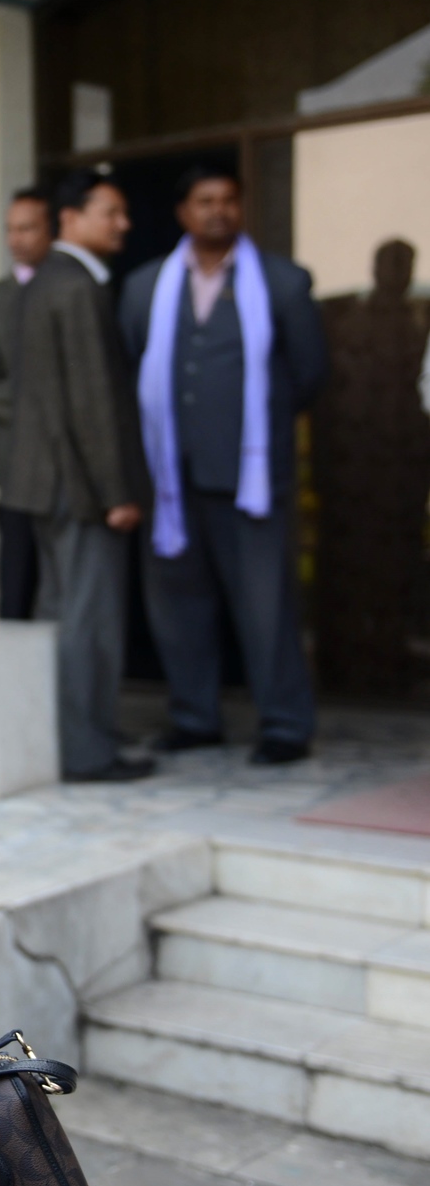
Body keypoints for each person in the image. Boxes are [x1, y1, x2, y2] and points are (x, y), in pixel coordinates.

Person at [120, 163, 328, 764]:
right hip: (169, 480)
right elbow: (135, 365)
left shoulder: (284, 283)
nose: (219, 211)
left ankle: (285, 724)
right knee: (178, 606)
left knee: (266, 607)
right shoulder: (145, 287)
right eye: (205, 201)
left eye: (229, 201)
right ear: (183, 212)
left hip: (252, 479)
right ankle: (194, 716)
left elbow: (309, 375)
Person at [5, 169, 154, 783]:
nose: (124, 224)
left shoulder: (43, 283)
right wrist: (117, 491)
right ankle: (88, 751)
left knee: (61, 620)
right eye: (111, 213)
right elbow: (93, 403)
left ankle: (68, 739)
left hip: (46, 483)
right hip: (81, 487)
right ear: (73, 218)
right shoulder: (81, 287)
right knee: (88, 626)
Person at [315, 239, 430, 697]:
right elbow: (331, 398)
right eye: (391, 264)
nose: (398, 273)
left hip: (400, 472)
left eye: (406, 265)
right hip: (356, 474)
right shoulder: (349, 322)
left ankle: (388, 658)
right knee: (351, 573)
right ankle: (347, 662)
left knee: (395, 573)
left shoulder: (417, 323)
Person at [0, 188, 54, 619]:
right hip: (16, 459)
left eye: (28, 228)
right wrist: (49, 415)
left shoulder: (79, 288)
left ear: (51, 230)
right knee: (17, 578)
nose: (17, 238)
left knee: (67, 583)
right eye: (11, 229)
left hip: (71, 466)